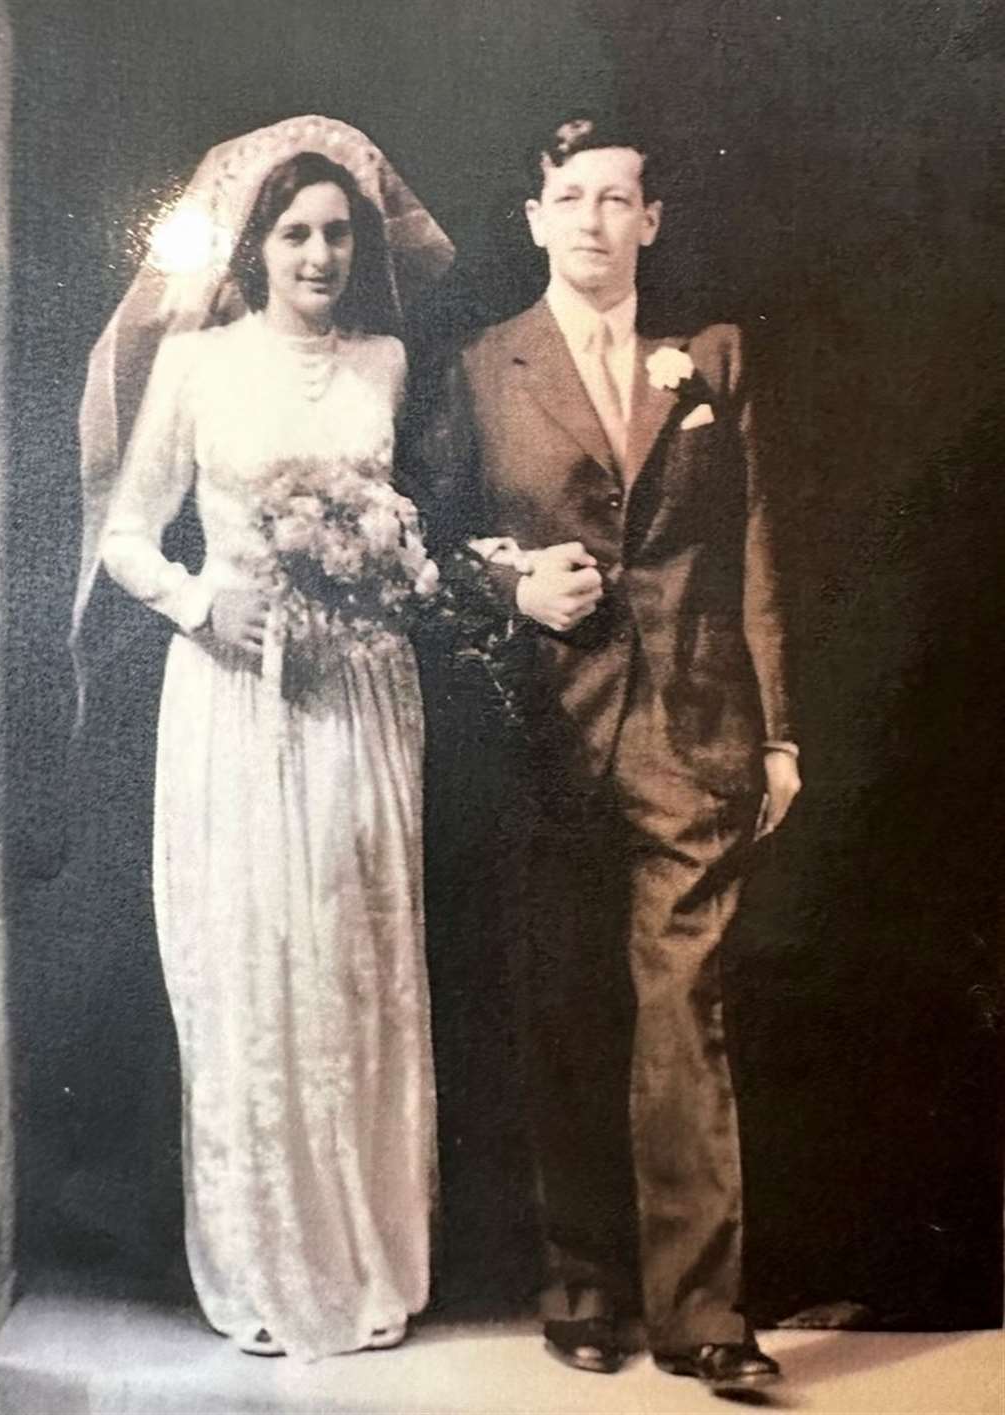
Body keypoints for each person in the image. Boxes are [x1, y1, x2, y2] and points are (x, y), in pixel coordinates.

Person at [412, 112, 801, 1388]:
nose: (593, 218)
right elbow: (431, 544)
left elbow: (749, 550)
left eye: (617, 196)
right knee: (569, 1011)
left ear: (652, 219)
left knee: (685, 1013)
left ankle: (703, 1313)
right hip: (546, 737)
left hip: (695, 734)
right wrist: (517, 584)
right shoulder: (482, 366)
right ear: (534, 218)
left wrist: (779, 731)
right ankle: (583, 1283)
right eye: (570, 195)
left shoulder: (711, 362)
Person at [70, 116, 454, 1360]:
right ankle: (261, 1268)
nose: (320, 253)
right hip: (235, 696)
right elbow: (127, 534)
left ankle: (370, 1260)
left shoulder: (386, 362)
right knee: (251, 962)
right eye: (295, 232)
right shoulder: (199, 365)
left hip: (360, 696)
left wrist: (387, 570)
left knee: (357, 958)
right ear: (257, 244)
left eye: (339, 232)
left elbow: (404, 530)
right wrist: (201, 598)